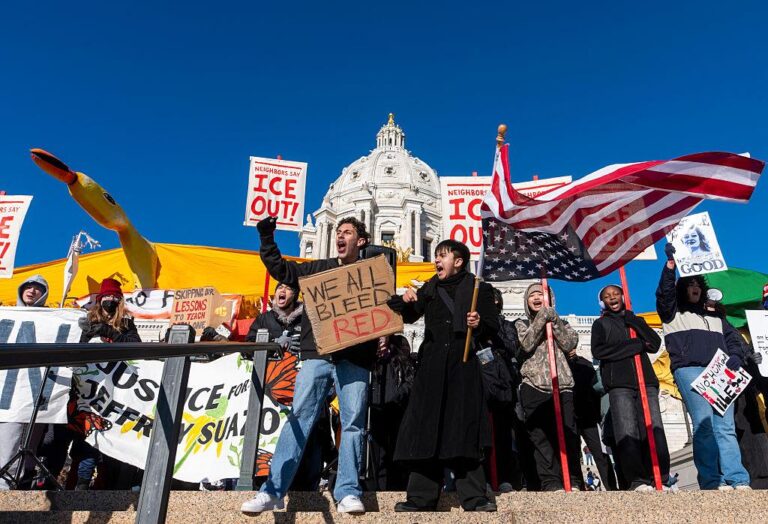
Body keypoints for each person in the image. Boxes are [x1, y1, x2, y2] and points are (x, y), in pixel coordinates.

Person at [241, 216, 377, 515]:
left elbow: (385, 308)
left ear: (361, 241)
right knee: (299, 417)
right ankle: (273, 491)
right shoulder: (318, 269)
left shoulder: (371, 274)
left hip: (354, 357)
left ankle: (347, 492)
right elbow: (282, 270)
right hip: (318, 354)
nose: (341, 236)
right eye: (338, 232)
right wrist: (266, 236)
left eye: (348, 233)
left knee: (353, 424)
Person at [385, 239, 497, 512]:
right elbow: (410, 314)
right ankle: (421, 498)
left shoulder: (478, 288)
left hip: (463, 364)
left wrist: (479, 323)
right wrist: (405, 300)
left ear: (458, 261)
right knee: (426, 429)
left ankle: (474, 497)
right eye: (436, 255)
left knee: (463, 428)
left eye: (442, 256)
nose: (436, 260)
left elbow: (492, 325)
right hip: (432, 368)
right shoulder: (430, 287)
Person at [657, 244, 750, 490]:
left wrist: (737, 357)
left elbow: (733, 341)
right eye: (689, 285)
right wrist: (670, 267)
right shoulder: (671, 313)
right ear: (681, 290)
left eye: (697, 284)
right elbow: (664, 295)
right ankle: (712, 480)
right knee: (704, 424)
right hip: (690, 370)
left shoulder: (716, 316)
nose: (694, 288)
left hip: (720, 372)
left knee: (726, 427)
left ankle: (737, 479)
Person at [592, 284, 670, 491]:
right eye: (607, 296)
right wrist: (635, 347)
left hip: (646, 381)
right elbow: (600, 351)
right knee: (627, 431)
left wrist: (634, 322)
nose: (612, 298)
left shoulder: (636, 321)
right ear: (603, 302)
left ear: (623, 297)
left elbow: (654, 343)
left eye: (616, 293)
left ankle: (661, 476)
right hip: (619, 384)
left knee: (654, 429)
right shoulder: (601, 324)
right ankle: (637, 479)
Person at [70, 278, 140, 489]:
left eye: (114, 298)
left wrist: (110, 332)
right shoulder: (87, 321)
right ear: (100, 300)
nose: (110, 301)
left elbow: (136, 346)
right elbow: (77, 350)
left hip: (116, 390)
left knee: (111, 436)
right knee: (87, 436)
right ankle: (81, 483)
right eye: (107, 297)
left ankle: (106, 484)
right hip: (89, 389)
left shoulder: (127, 324)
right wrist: (91, 332)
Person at [514, 283, 582, 491]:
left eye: (541, 294)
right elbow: (526, 343)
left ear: (550, 299)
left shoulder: (564, 324)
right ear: (526, 301)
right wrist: (543, 317)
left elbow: (569, 343)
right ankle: (551, 481)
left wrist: (553, 319)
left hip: (561, 384)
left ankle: (573, 479)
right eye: (531, 295)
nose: (536, 298)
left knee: (568, 435)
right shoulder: (521, 324)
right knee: (540, 437)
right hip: (534, 385)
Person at [0, 275, 50, 489]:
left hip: (29, 391)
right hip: (5, 386)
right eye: (28, 287)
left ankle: (7, 484)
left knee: (21, 439)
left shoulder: (52, 320)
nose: (31, 291)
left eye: (38, 288)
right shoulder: (6, 314)